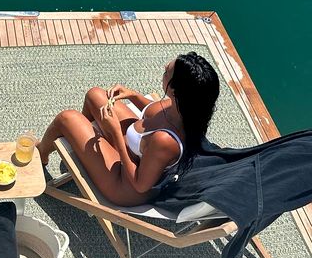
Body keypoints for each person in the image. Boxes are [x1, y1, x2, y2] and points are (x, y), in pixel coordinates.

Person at [38, 52, 220, 206]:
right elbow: (152, 111)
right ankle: (81, 146)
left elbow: (140, 185)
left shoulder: (165, 141)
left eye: (167, 72)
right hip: (133, 153)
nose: (164, 67)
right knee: (95, 95)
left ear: (174, 91)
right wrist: (132, 95)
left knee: (67, 118)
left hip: (125, 185)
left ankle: (41, 154)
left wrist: (116, 132)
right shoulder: (182, 108)